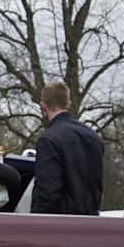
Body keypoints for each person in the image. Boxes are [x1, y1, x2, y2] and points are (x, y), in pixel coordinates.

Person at [30, 81, 103, 216]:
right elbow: (97, 188)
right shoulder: (94, 138)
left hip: (59, 226)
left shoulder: (48, 140)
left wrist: (35, 220)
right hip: (91, 223)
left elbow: (47, 192)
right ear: (67, 103)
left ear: (43, 107)